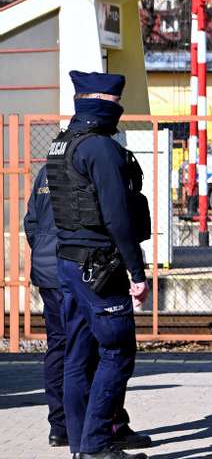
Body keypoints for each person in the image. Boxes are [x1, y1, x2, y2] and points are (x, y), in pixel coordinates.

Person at [46, 71, 152, 459]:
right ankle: (96, 444)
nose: (118, 110)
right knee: (118, 350)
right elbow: (117, 218)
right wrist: (137, 273)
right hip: (100, 267)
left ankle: (79, 443)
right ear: (104, 104)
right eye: (114, 103)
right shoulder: (101, 149)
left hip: (69, 264)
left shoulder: (61, 145)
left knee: (78, 355)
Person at [24, 166, 151, 452]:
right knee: (98, 352)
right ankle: (107, 426)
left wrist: (43, 253)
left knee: (60, 348)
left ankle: (61, 428)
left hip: (48, 269)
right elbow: (110, 216)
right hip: (79, 266)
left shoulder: (46, 172)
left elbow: (31, 222)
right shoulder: (90, 167)